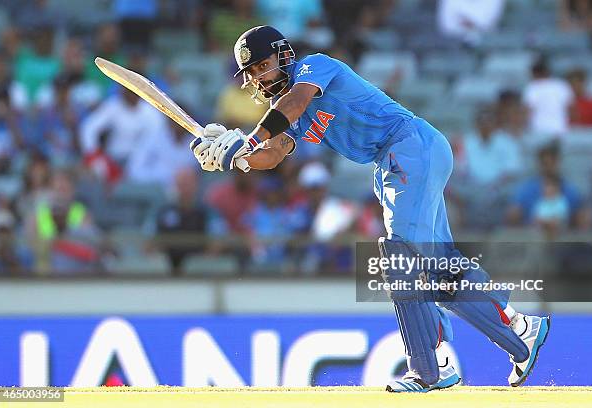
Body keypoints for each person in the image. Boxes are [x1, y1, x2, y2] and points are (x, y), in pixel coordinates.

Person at [187, 26, 550, 392]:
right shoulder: (282, 113)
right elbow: (274, 152)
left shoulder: (313, 68)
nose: (258, 78)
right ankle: (520, 332)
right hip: (395, 161)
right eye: (251, 74)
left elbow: (293, 104)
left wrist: (248, 139)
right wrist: (239, 159)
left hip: (409, 146)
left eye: (262, 65)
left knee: (401, 260)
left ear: (283, 56)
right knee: (441, 271)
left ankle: (430, 370)